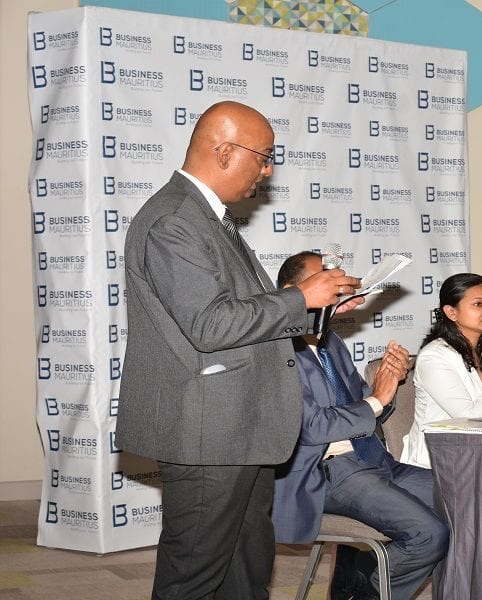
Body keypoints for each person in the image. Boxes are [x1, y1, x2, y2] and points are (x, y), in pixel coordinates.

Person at [116, 101, 363, 600]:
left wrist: (318, 308)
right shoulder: (175, 220)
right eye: (264, 157)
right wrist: (301, 297)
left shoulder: (210, 218)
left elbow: (245, 314)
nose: (267, 170)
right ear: (225, 151)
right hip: (209, 434)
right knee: (193, 579)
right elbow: (209, 325)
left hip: (240, 428)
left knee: (245, 571)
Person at [271, 252, 448, 600]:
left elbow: (367, 407)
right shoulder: (277, 351)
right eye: (326, 282)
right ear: (293, 291)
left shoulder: (331, 343)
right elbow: (312, 428)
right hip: (326, 472)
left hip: (373, 458)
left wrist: (388, 385)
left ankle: (355, 573)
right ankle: (367, 587)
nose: (336, 292)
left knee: (466, 498)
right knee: (430, 534)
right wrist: (377, 399)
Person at [401, 273, 482, 468]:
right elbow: (471, 422)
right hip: (440, 467)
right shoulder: (433, 357)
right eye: (478, 304)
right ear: (451, 312)